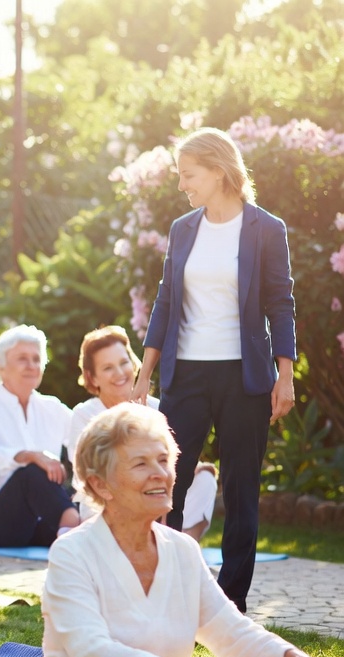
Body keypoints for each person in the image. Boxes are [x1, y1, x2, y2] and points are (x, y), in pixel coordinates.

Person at [22, 403, 338, 657]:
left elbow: (231, 630)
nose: (160, 473)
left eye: (163, 459)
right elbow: (93, 653)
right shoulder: (73, 553)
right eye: (140, 464)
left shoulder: (183, 551)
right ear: (101, 484)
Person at [132, 127, 297, 612]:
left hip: (244, 378)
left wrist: (284, 375)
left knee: (241, 488)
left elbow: (281, 304)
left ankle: (232, 604)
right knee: (168, 484)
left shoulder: (267, 228)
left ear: (219, 171)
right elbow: (164, 301)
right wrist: (146, 373)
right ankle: (167, 592)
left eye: (190, 175)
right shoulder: (184, 228)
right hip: (187, 376)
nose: (183, 185)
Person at [68, 325, 216, 539]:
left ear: (134, 363)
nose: (119, 373)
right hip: (107, 498)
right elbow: (88, 473)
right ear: (92, 377)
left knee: (204, 477)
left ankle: (182, 547)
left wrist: (187, 467)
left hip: (153, 490)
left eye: (123, 362)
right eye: (108, 368)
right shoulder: (84, 415)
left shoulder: (157, 408)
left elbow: (173, 459)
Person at [0, 325, 80, 547]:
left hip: (38, 523)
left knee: (90, 498)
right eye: (22, 358)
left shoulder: (53, 408)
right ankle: (75, 533)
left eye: (36, 359)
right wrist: (30, 456)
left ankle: (74, 530)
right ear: (1, 367)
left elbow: (84, 446)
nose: (32, 365)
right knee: (31, 472)